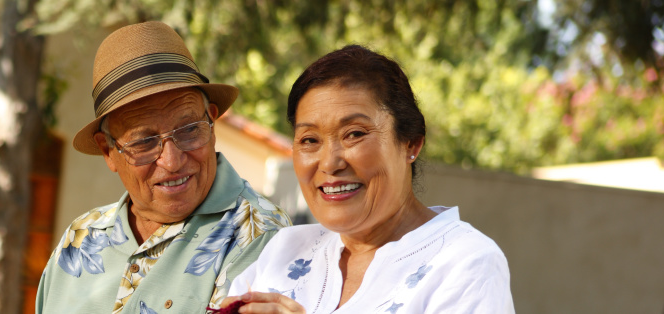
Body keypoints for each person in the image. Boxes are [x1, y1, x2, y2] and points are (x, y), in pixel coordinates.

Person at [219, 45, 514, 313]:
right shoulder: (284, 250)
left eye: (355, 134)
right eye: (309, 140)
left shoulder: (466, 263)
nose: (330, 163)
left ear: (410, 143)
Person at [35, 21, 291, 314]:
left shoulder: (262, 236)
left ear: (212, 120)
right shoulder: (81, 238)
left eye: (189, 130)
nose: (172, 161)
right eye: (144, 142)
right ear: (108, 151)